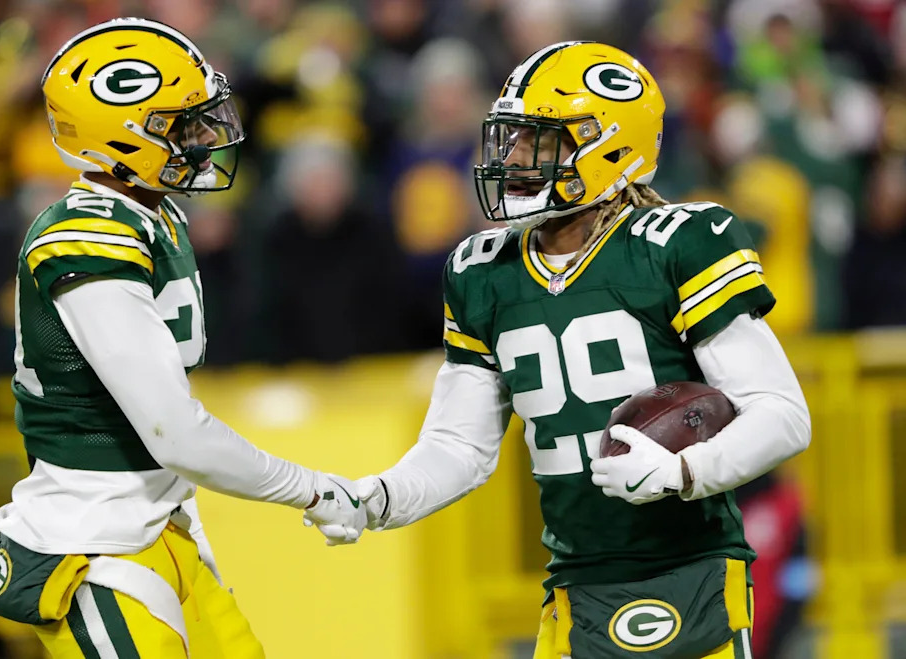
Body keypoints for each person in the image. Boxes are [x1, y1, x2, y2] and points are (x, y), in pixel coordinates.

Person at [307, 42, 812, 658]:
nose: (514, 157)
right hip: (574, 586)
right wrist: (379, 497)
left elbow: (782, 414)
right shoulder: (482, 271)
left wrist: (683, 472)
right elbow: (459, 446)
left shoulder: (676, 245)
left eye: (540, 140)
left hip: (692, 570)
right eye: (512, 138)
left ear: (610, 147)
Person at [0, 18, 367, 659]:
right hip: (96, 543)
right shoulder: (85, 238)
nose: (205, 138)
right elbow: (174, 432)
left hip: (164, 523)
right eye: (182, 125)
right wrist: (313, 489)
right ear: (122, 136)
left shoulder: (152, 214)